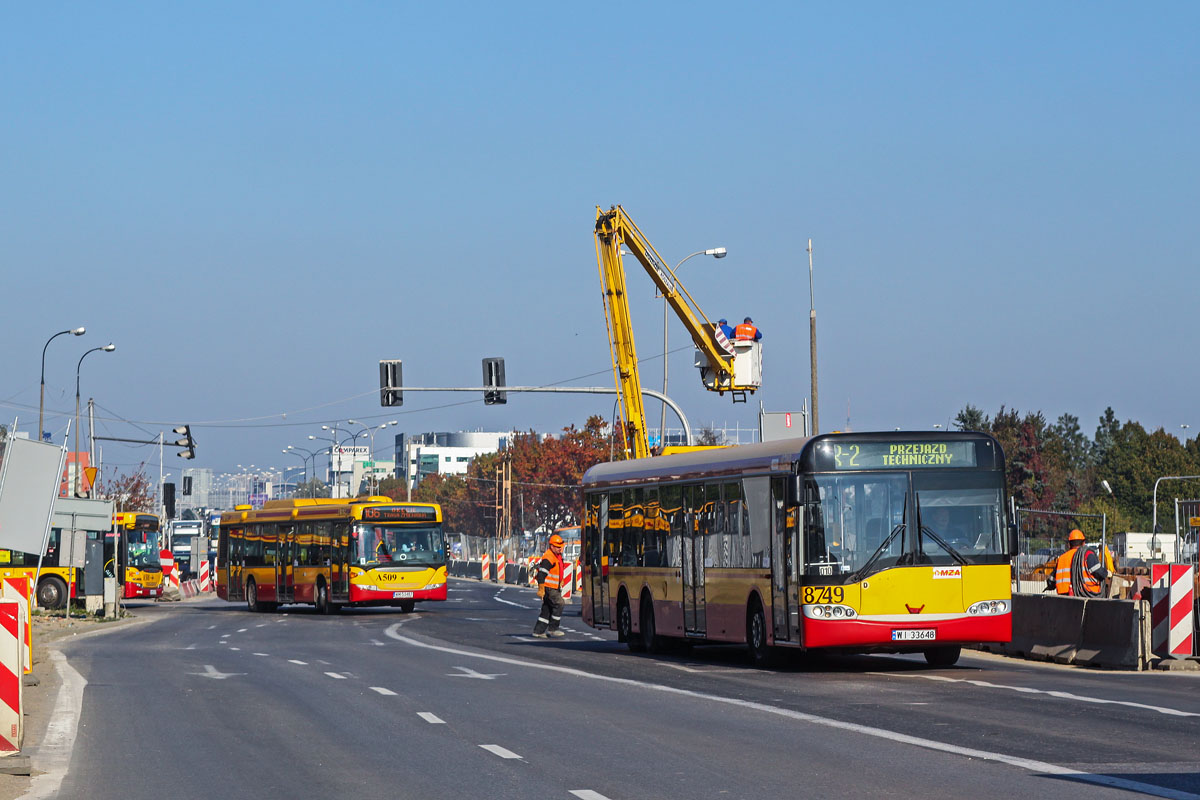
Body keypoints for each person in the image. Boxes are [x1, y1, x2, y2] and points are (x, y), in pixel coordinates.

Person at [1052, 529, 1109, 597]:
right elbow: (1099, 572)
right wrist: (1106, 573)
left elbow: (1051, 581)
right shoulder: (1087, 555)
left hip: (1063, 598)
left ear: (1069, 544)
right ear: (1083, 543)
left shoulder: (1061, 559)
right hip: (1085, 597)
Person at [531, 533, 567, 638]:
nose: (560, 549)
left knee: (547, 609)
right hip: (549, 587)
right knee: (559, 603)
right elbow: (541, 575)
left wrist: (561, 580)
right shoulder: (549, 558)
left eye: (561, 547)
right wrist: (541, 589)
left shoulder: (557, 556)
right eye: (557, 547)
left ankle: (538, 631)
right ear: (552, 546)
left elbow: (557, 570)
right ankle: (553, 629)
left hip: (554, 587)